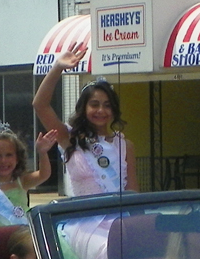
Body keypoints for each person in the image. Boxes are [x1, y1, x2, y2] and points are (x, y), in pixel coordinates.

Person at [32, 43, 138, 196]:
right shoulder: (69, 138)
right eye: (94, 105)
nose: (101, 110)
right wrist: (57, 68)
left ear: (114, 111)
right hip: (85, 218)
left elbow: (132, 191)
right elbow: (40, 105)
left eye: (107, 105)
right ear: (83, 108)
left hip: (117, 217)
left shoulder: (124, 145)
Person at [0, 120, 56, 219]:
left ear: (17, 158)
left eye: (9, 155)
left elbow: (44, 174)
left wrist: (42, 152)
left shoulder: (22, 181)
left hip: (21, 232)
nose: (3, 161)